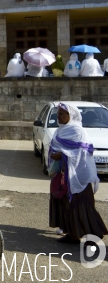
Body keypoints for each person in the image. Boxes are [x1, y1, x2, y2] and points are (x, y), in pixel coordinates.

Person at [48, 103, 108, 243]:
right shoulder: (60, 130)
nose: (59, 116)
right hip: (64, 175)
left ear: (71, 115)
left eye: (62, 113)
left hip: (78, 175)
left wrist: (62, 156)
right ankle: (73, 234)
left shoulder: (77, 131)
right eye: (58, 114)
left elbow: (80, 152)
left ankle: (94, 235)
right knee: (66, 205)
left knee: (81, 205)